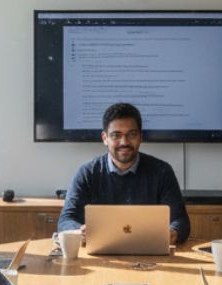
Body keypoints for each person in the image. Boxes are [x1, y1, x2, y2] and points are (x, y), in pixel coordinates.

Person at [57, 102, 190, 244]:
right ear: (104, 138)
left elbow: (180, 221)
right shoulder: (87, 173)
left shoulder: (162, 171)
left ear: (141, 137)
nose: (124, 142)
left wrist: (172, 232)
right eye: (116, 135)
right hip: (99, 255)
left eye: (131, 134)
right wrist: (79, 231)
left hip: (150, 255)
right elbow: (66, 220)